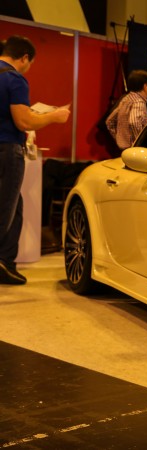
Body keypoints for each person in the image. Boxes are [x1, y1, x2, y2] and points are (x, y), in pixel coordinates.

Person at [0, 35, 70, 285]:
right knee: (4, 211)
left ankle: (5, 263)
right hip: (7, 150)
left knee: (14, 206)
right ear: (25, 58)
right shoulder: (15, 78)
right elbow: (24, 121)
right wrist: (55, 116)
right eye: (30, 63)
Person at [106, 69, 147, 151]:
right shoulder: (139, 101)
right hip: (135, 152)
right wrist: (139, 145)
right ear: (145, 86)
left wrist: (120, 140)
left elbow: (109, 122)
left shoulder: (126, 99)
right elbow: (134, 122)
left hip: (124, 150)